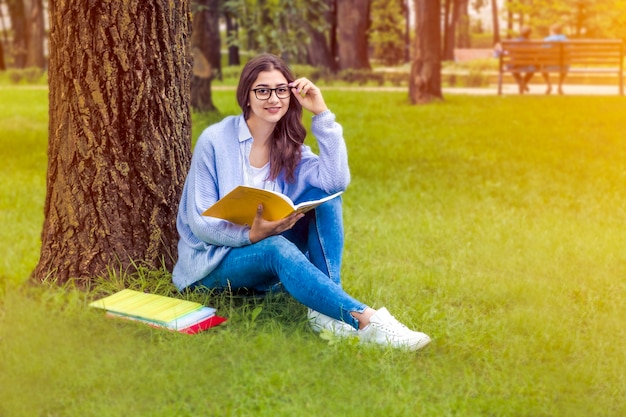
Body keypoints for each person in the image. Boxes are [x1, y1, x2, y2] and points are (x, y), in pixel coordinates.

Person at [172, 53, 431, 351]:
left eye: (281, 90)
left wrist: (321, 114)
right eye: (263, 90)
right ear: (246, 95)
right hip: (212, 264)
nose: (274, 99)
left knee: (326, 200)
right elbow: (200, 221)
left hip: (263, 253)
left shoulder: (288, 144)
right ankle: (366, 320)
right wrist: (251, 235)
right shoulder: (215, 139)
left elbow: (334, 183)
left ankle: (326, 312)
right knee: (276, 247)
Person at [494, 26, 535, 94]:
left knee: (512, 68)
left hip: (515, 64)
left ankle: (521, 83)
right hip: (529, 65)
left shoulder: (513, 42)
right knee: (533, 69)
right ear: (530, 34)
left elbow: (504, 52)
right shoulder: (533, 44)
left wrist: (497, 51)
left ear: (520, 33)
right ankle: (524, 82)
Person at [541, 24, 568, 95]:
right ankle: (560, 86)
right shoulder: (565, 39)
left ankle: (549, 85)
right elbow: (568, 51)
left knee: (542, 66)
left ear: (552, 31)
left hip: (548, 64)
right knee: (565, 65)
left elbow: (543, 50)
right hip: (562, 65)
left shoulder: (547, 39)